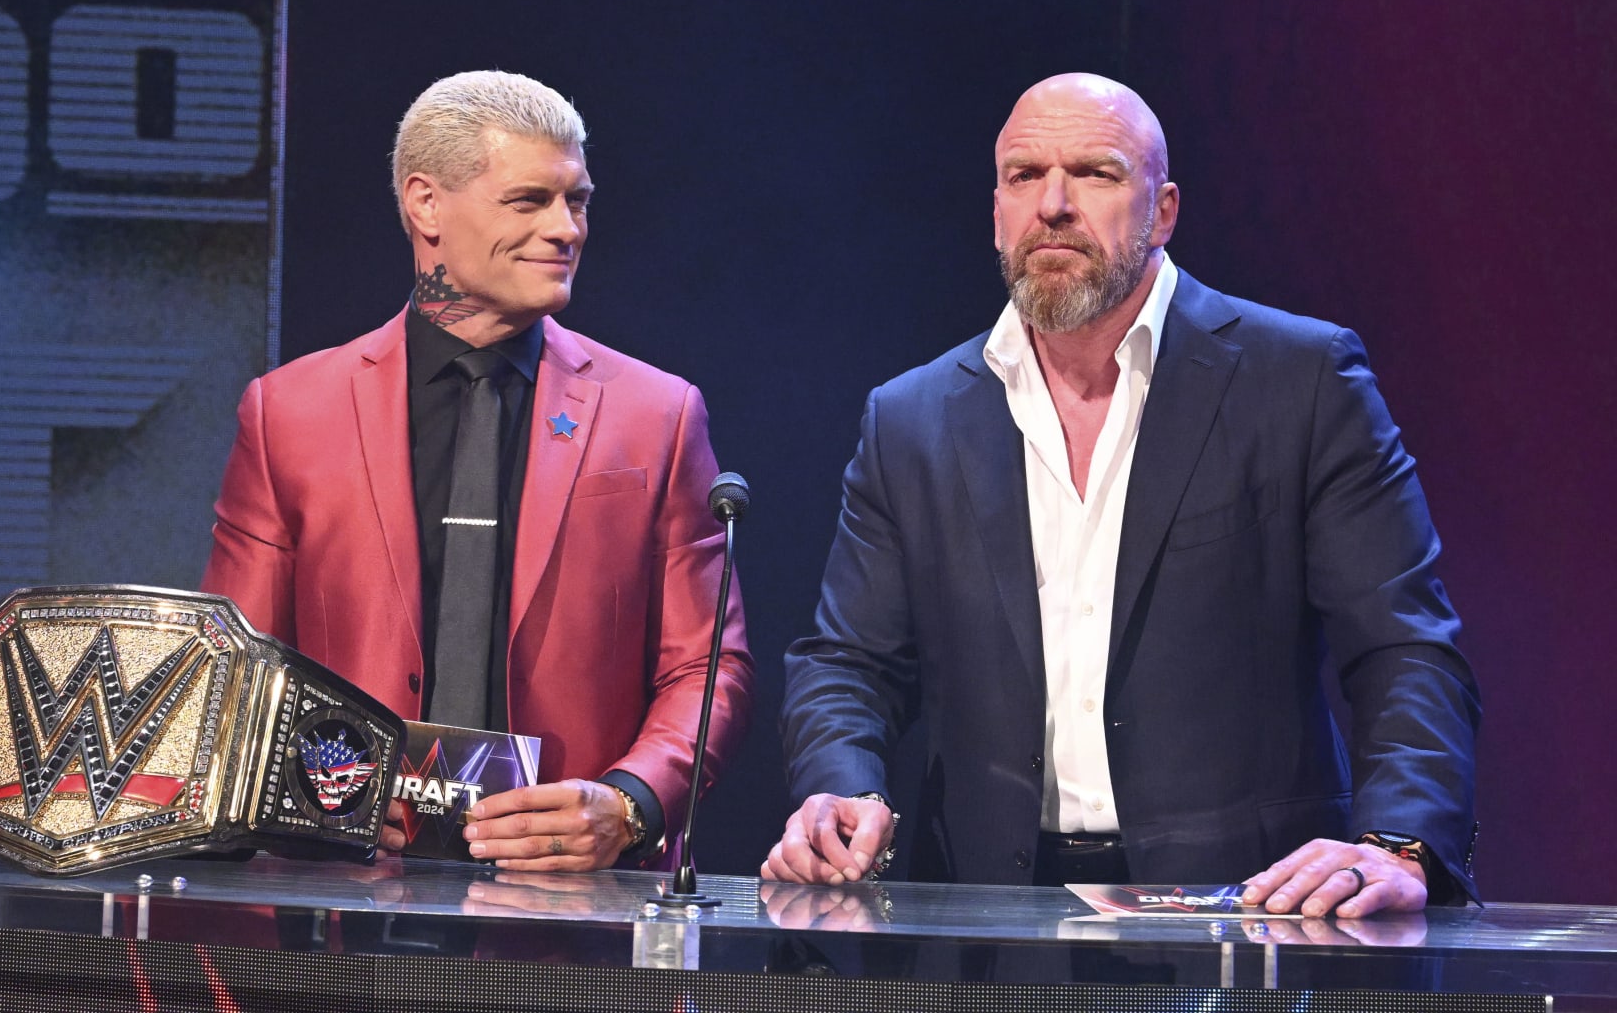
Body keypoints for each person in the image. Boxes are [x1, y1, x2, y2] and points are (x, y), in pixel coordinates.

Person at [765, 73, 1479, 917]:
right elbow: (849, 663)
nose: (1054, 204)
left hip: (1248, 912)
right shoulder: (911, 418)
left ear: (1163, 209)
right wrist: (841, 790)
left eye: (1096, 173)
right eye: (1025, 176)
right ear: (996, 209)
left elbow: (1404, 645)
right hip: (984, 919)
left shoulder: (1302, 379)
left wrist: (1398, 841)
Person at [203, 70, 751, 871]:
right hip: (345, 909)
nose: (566, 228)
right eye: (529, 201)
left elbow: (708, 664)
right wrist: (303, 792)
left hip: (574, 915)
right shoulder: (288, 413)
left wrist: (631, 802)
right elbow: (234, 667)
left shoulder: (657, 415)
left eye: (579, 200)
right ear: (426, 204)